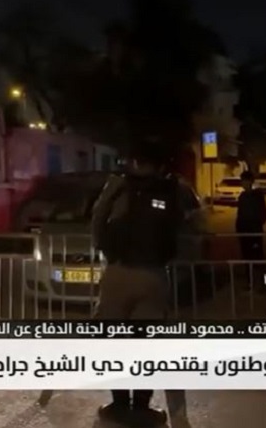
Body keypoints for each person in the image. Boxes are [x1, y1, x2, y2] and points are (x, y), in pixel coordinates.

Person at [91, 139, 187, 428]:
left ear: (134, 162)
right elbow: (182, 229)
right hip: (154, 277)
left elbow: (98, 222)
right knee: (147, 345)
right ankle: (142, 407)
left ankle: (120, 405)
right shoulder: (171, 189)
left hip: (118, 275)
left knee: (114, 343)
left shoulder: (120, 188)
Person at [235, 170, 266, 289]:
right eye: (242, 181)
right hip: (244, 233)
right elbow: (240, 214)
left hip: (254, 233)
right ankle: (250, 282)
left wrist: (257, 225)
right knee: (247, 259)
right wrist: (239, 228)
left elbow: (264, 213)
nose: (243, 184)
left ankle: (265, 282)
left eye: (245, 181)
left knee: (259, 257)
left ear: (250, 181)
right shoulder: (242, 197)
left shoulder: (257, 195)